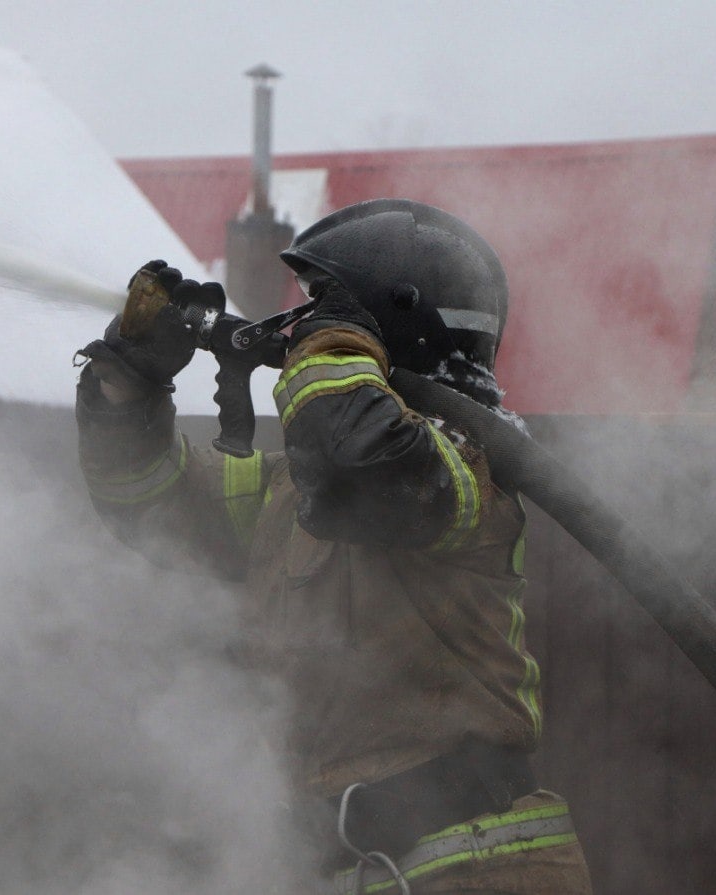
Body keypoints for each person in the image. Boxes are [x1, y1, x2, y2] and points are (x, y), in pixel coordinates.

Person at [74, 199, 593, 893]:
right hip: (363, 867)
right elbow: (153, 506)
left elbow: (360, 455)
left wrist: (332, 349)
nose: (302, 328)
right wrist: (128, 389)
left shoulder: (471, 471)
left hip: (479, 867)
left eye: (323, 307)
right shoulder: (297, 494)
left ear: (389, 328)